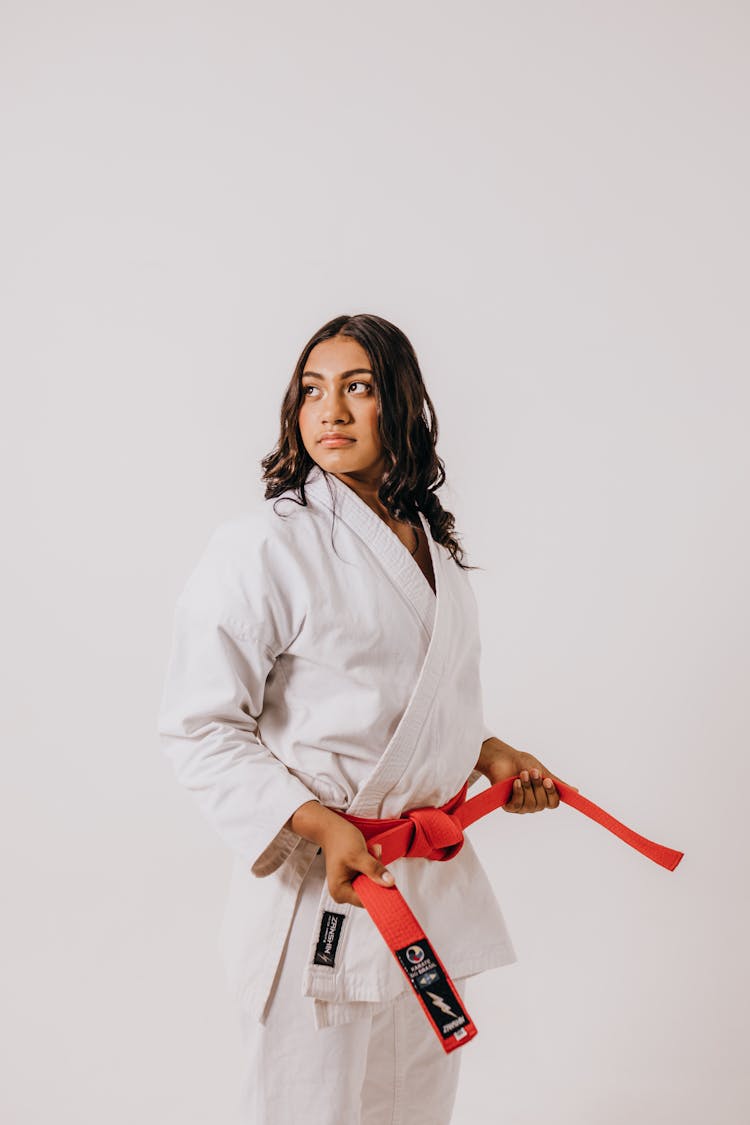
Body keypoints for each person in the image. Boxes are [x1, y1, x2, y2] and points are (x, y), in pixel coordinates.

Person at [157, 313, 567, 1125]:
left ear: (401, 405)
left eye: (359, 387)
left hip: (419, 895)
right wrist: (315, 822)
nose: (330, 410)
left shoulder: (431, 550)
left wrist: (487, 752)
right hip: (326, 888)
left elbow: (404, 706)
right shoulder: (261, 545)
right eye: (312, 389)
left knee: (415, 1111)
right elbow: (200, 724)